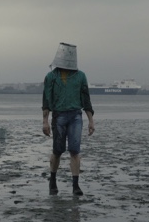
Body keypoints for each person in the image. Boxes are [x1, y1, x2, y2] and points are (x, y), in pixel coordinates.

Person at [42, 42, 95, 196]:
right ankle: (52, 181)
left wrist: (91, 121)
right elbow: (46, 100)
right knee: (57, 151)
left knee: (75, 150)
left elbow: (86, 100)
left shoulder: (80, 76)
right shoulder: (51, 77)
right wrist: (45, 121)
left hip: (75, 116)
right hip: (58, 115)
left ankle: (75, 185)